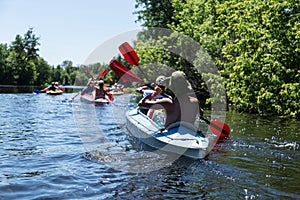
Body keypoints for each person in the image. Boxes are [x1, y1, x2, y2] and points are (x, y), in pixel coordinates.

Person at [138, 71, 203, 128]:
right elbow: (201, 113)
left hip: (171, 134)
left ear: (172, 86)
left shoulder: (168, 103)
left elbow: (141, 104)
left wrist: (155, 94)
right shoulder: (195, 102)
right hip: (189, 132)